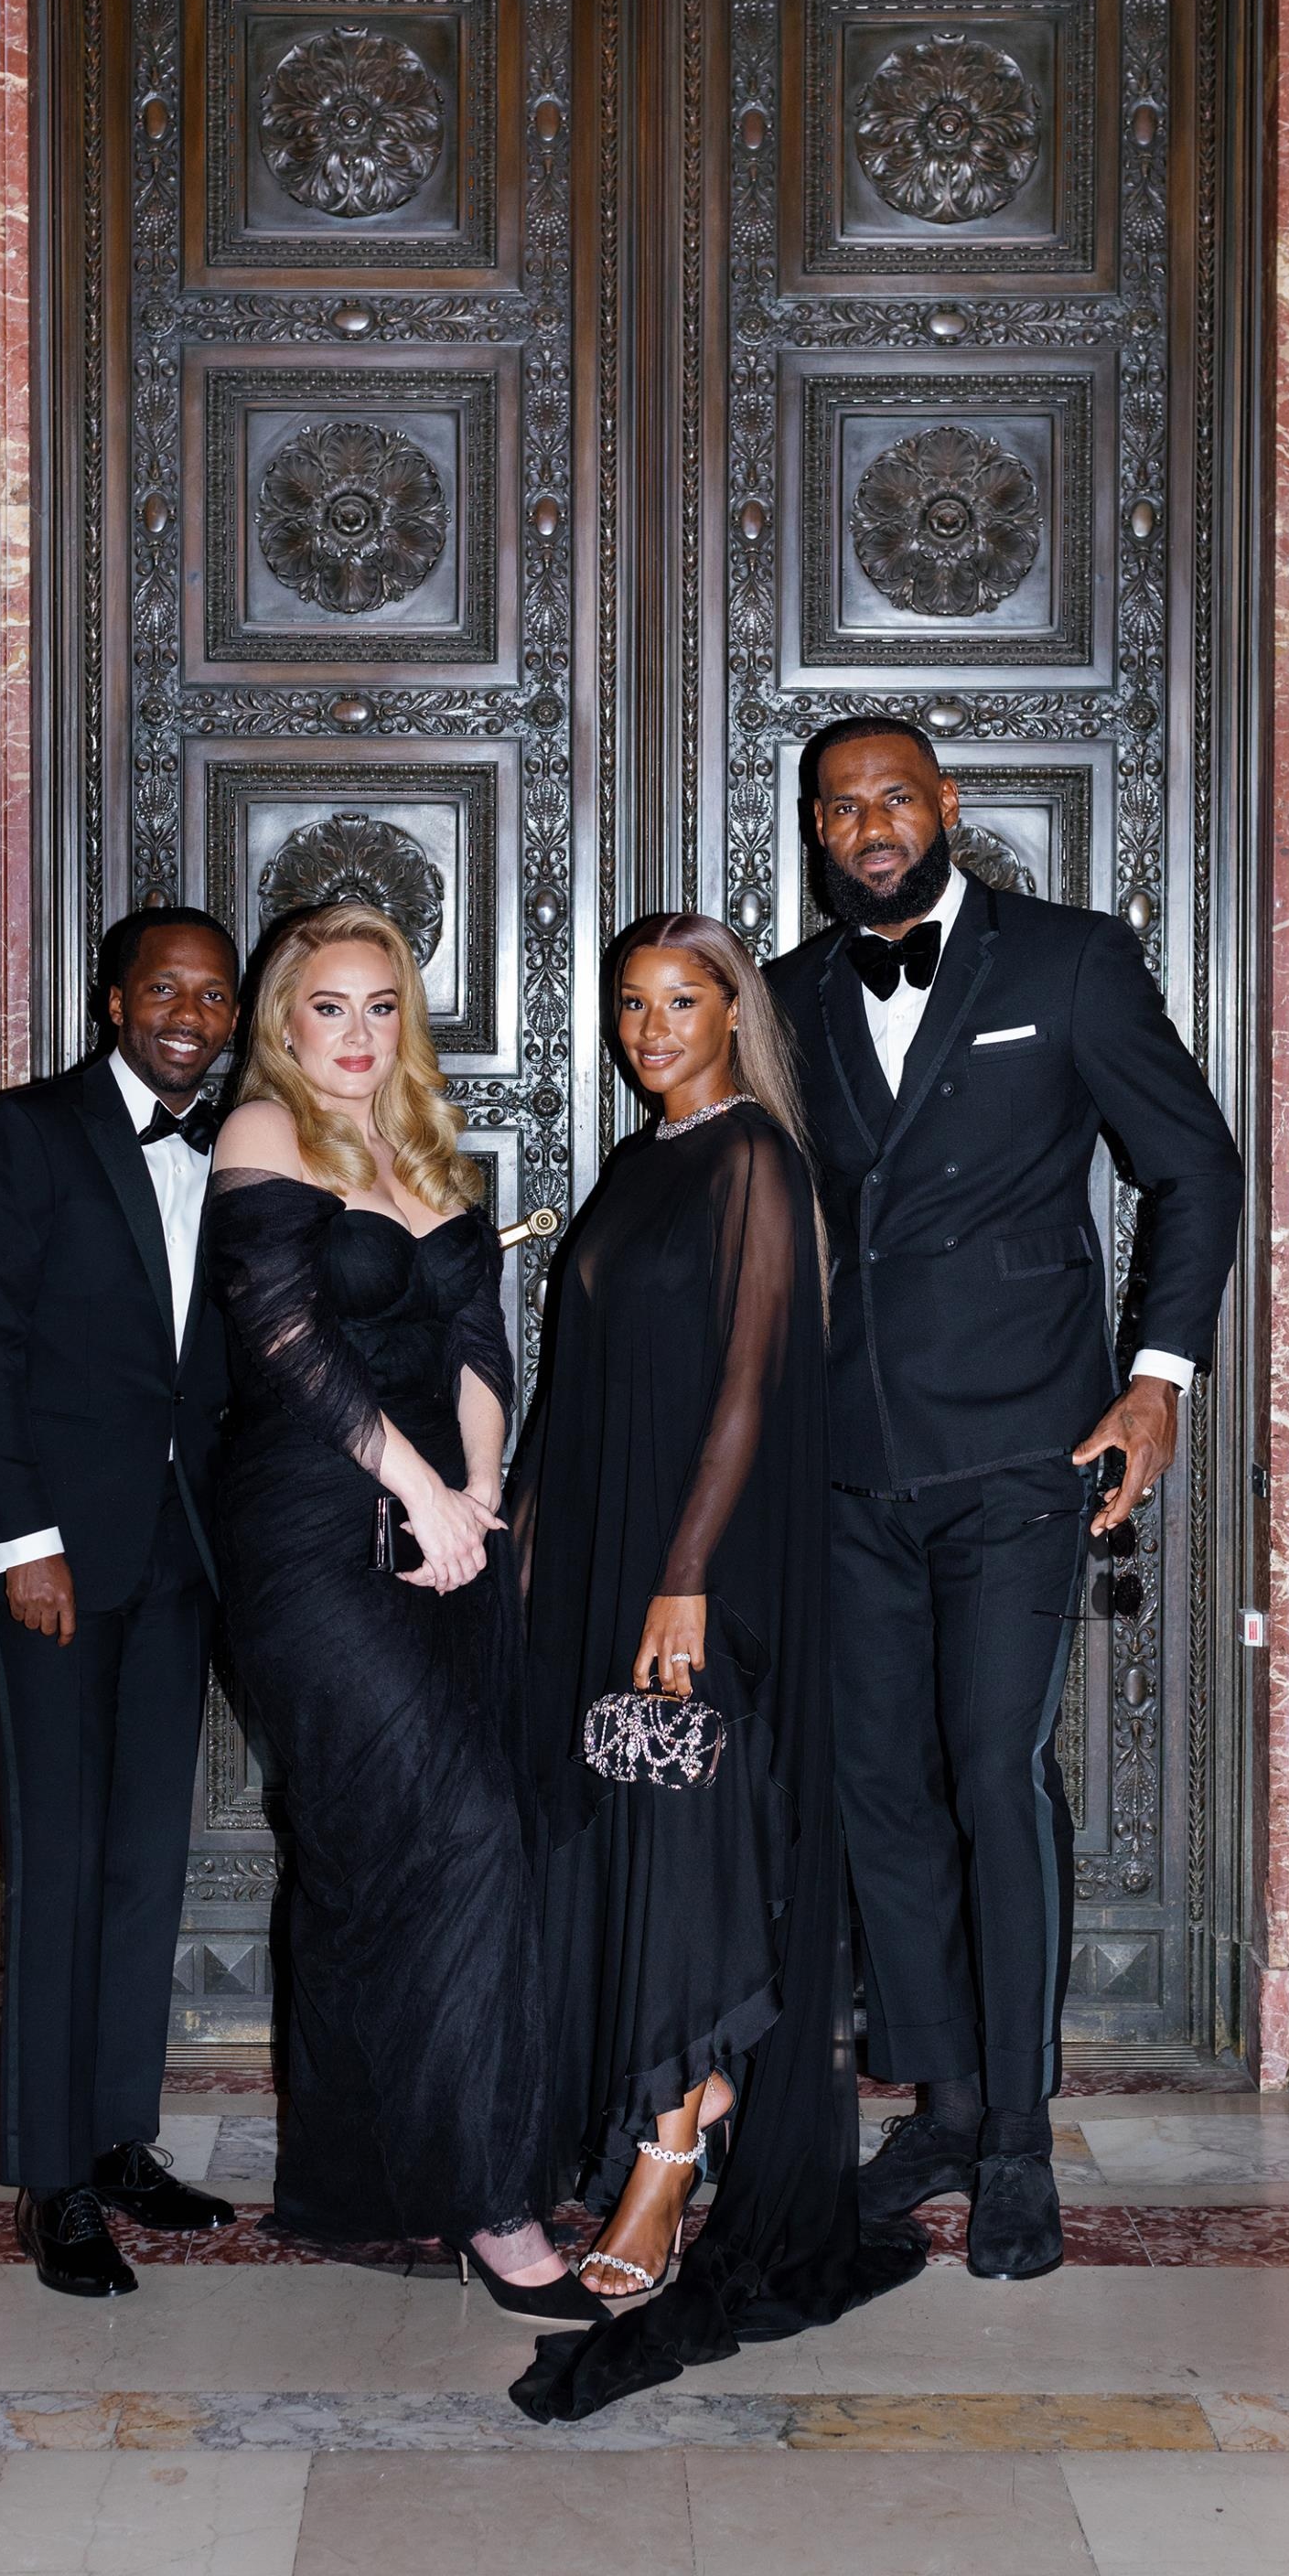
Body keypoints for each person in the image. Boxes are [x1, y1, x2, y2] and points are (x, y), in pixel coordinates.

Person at [767, 716, 1243, 2284]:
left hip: (1025, 1455)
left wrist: (1157, 1377)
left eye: (894, 797)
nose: (870, 826)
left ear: (946, 807)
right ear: (820, 832)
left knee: (992, 1769)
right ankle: (946, 2100)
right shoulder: (789, 997)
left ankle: (1024, 2140)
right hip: (844, 1459)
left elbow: (1193, 1167)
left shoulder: (1071, 963)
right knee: (881, 1793)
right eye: (842, 809)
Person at [509, 913, 927, 2428]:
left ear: (735, 1012)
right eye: (631, 1004)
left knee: (691, 1842)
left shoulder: (755, 1161)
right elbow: (577, 1383)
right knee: (638, 1830)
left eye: (682, 1000)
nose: (651, 1026)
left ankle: (671, 2152)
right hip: (616, 1566)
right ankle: (678, 2094)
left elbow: (751, 1389)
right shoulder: (642, 1163)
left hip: (708, 1571)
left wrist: (681, 1580)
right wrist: (538, 1548)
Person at [201, 902, 596, 2321]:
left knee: (403, 1855)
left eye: (381, 1007)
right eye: (329, 1008)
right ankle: (497, 2204)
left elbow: (482, 1336)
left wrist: (480, 1492)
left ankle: (374, 2178)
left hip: (454, 1530)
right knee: (462, 1833)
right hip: (316, 1527)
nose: (357, 1035)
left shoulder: (430, 1151)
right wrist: (418, 1490)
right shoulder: (262, 1134)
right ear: (283, 1020)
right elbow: (287, 1344)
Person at [0, 907, 243, 2296]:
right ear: (115, 996)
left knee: (144, 1863)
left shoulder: (238, 1145)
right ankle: (53, 2179)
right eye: (165, 988)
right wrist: (24, 1542)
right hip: (57, 1560)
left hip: (183, 1555)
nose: (190, 1013)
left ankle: (122, 2134)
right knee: (60, 1865)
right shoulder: (21, 1134)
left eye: (214, 994)